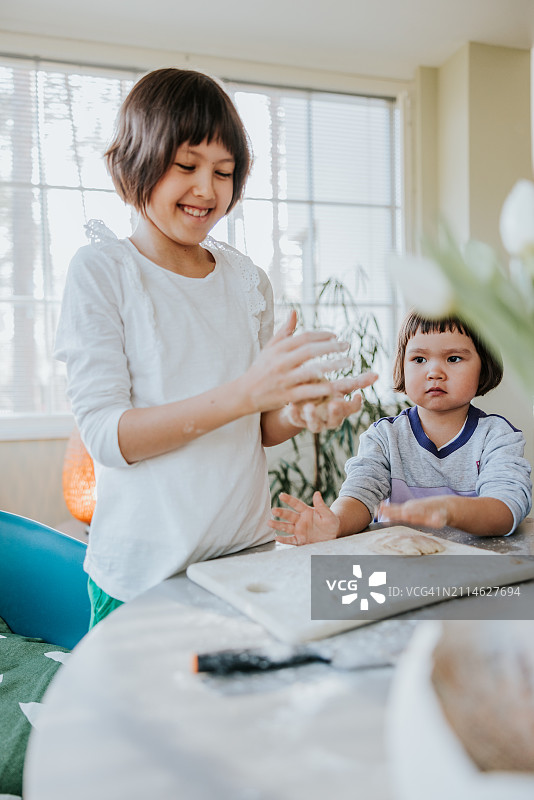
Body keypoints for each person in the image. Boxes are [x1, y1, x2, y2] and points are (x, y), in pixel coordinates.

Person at [54, 68, 376, 626]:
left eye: (224, 173)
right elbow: (108, 437)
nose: (207, 189)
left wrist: (296, 411)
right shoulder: (105, 272)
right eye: (187, 166)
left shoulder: (247, 281)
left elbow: (257, 427)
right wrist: (247, 392)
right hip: (141, 578)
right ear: (137, 162)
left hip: (244, 561)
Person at [269, 311, 532, 543]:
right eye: (419, 359)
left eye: (453, 358)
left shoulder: (497, 436)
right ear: (402, 367)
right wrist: (335, 523)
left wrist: (449, 510)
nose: (434, 372)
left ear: (483, 366)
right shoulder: (384, 437)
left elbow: (506, 510)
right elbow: (360, 495)